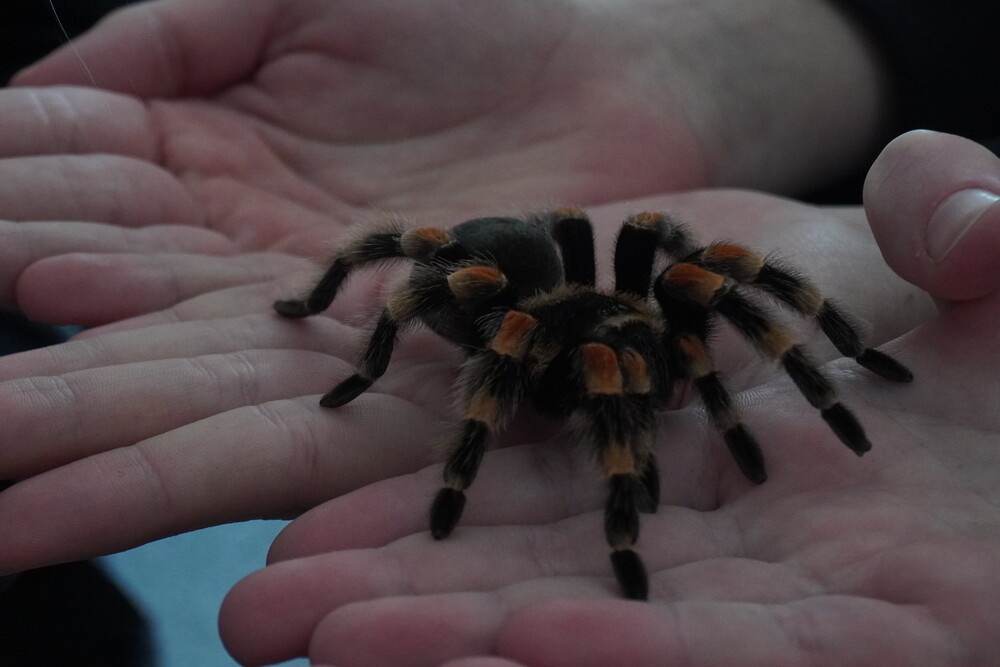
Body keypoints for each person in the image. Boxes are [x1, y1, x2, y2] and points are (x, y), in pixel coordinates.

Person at [0, 0, 998, 664]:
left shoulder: (654, 314)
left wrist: (836, 363)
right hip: (505, 296)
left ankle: (847, 355)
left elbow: (699, 268)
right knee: (505, 301)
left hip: (573, 296)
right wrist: (415, 420)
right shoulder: (515, 311)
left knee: (705, 266)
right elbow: (433, 291)